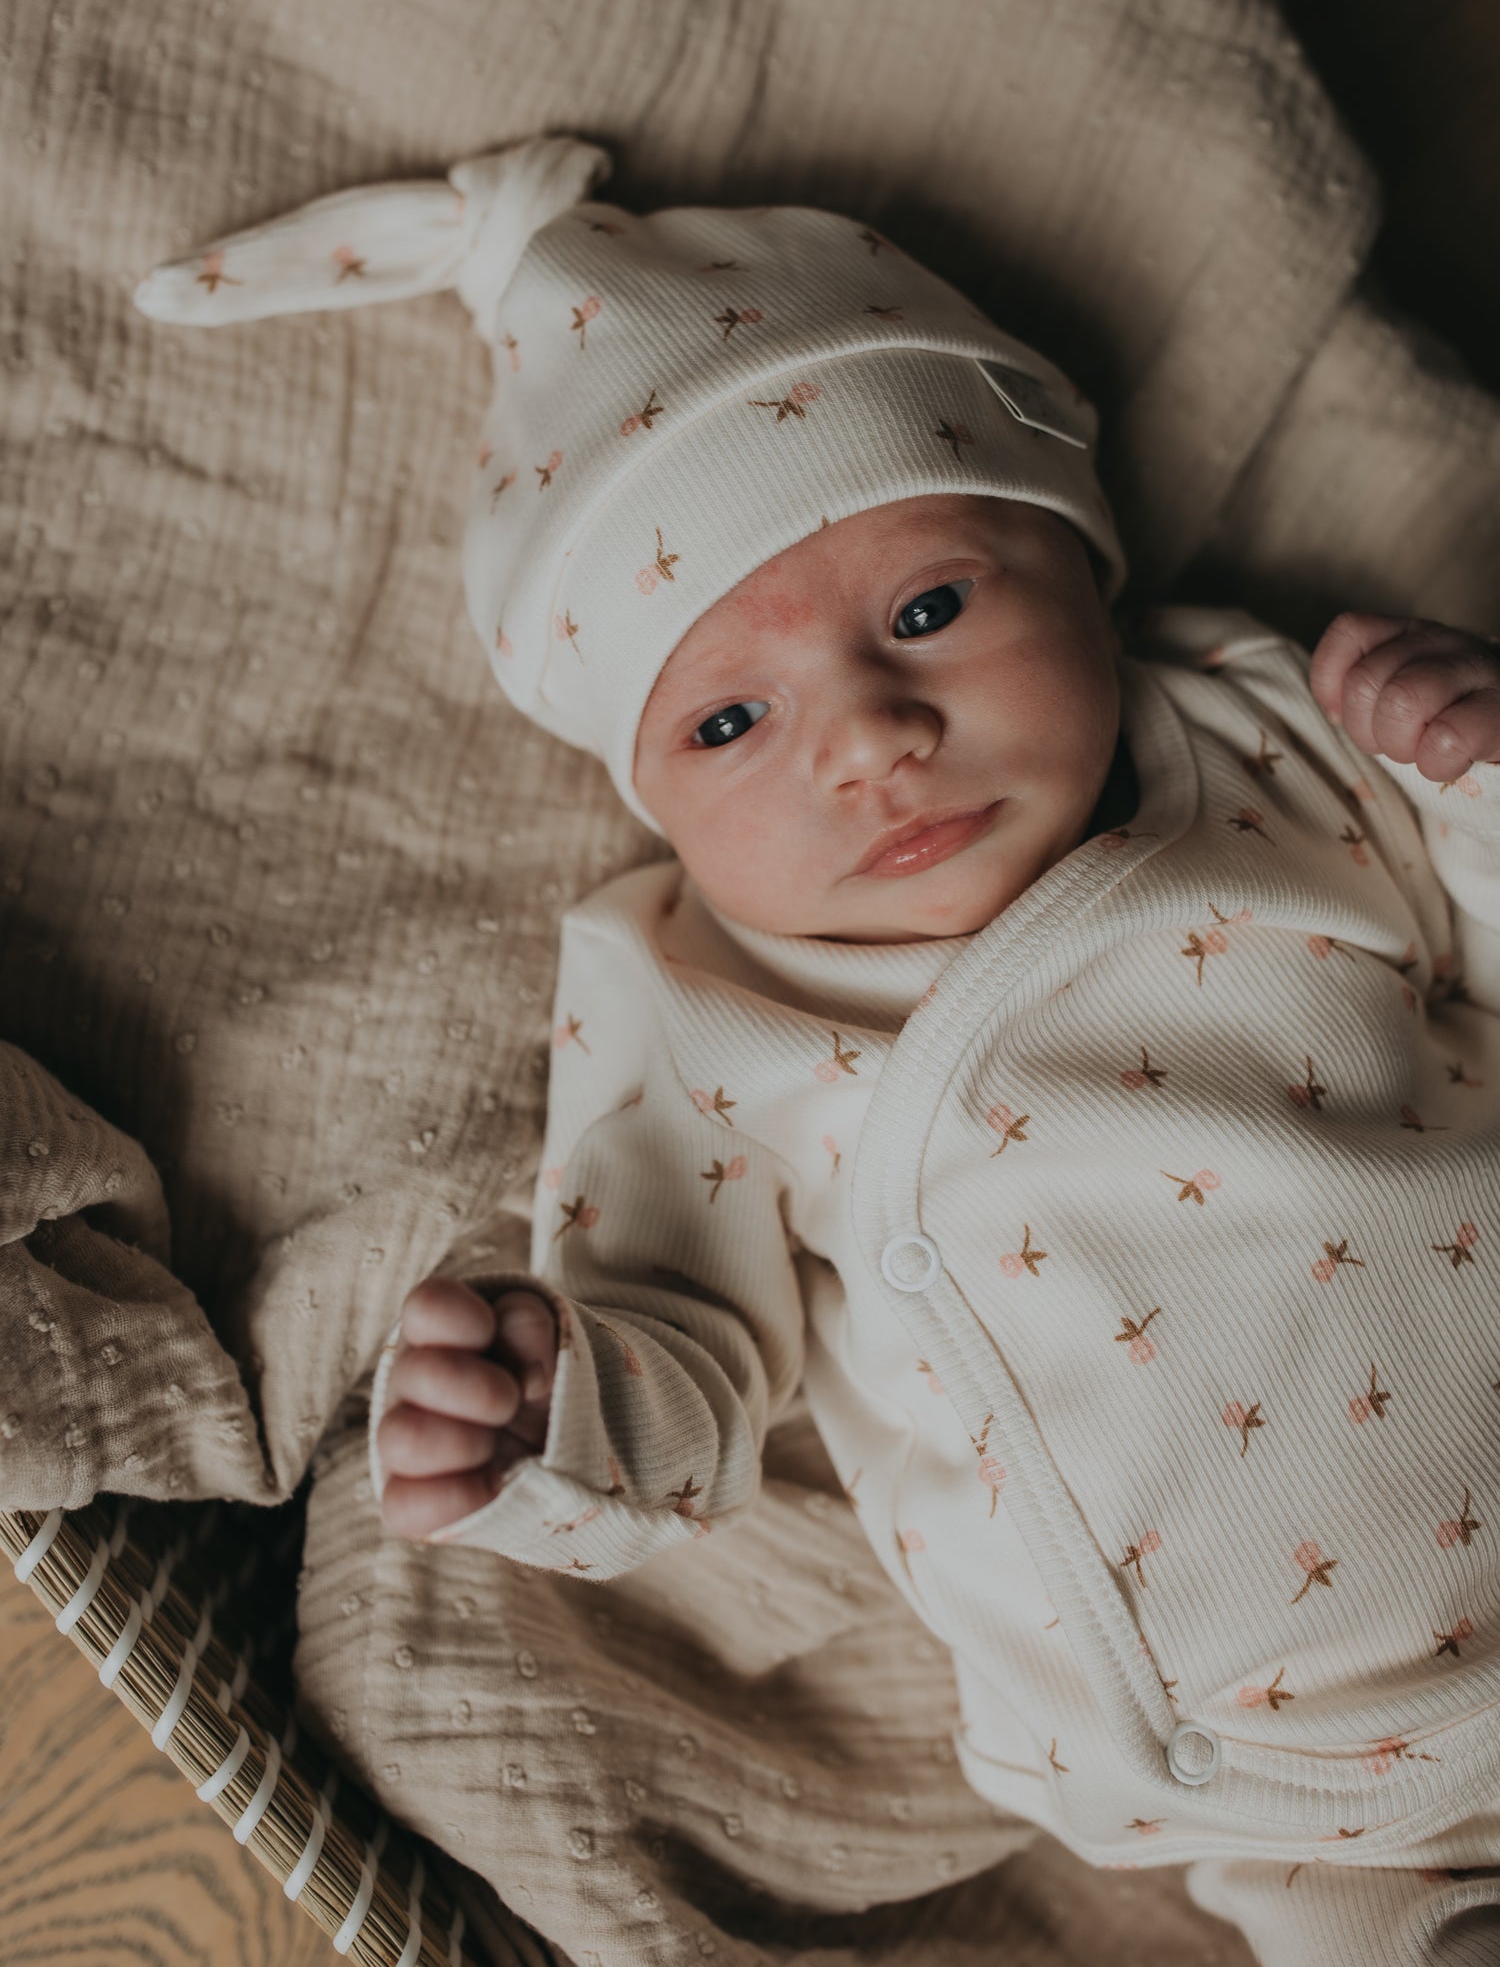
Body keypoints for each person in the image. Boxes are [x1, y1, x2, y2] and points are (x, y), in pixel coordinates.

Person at [136, 136, 1500, 1965]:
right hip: (1295, 1796)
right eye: (728, 718)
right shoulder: (685, 998)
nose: (866, 738)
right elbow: (691, 1352)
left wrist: (1474, 774)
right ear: (648, 791)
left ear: (1082, 563)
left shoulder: (1272, 738)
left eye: (929, 609)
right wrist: (559, 1406)